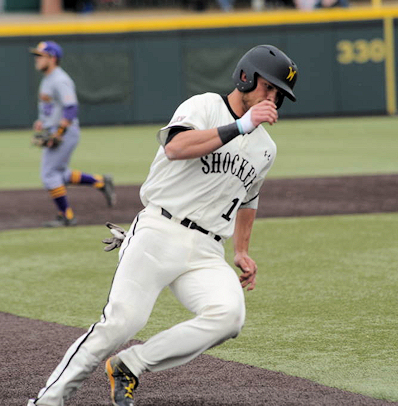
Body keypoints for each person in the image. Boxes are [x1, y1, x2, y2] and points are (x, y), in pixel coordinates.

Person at [27, 44, 298, 406]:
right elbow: (176, 147)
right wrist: (241, 126)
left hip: (207, 249)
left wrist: (242, 250)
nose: (273, 98)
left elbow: (249, 198)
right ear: (246, 77)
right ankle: (48, 401)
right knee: (120, 324)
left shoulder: (266, 147)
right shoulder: (203, 106)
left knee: (229, 316)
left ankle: (130, 365)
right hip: (158, 231)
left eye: (280, 94)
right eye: (269, 87)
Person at [30, 41, 116, 227]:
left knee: (49, 174)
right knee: (59, 173)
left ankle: (67, 216)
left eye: (40, 55)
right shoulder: (48, 78)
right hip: (55, 130)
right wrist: (42, 122)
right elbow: (52, 107)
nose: (36, 59)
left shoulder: (60, 79)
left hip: (65, 132)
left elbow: (70, 108)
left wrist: (59, 132)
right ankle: (100, 182)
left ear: (52, 58)